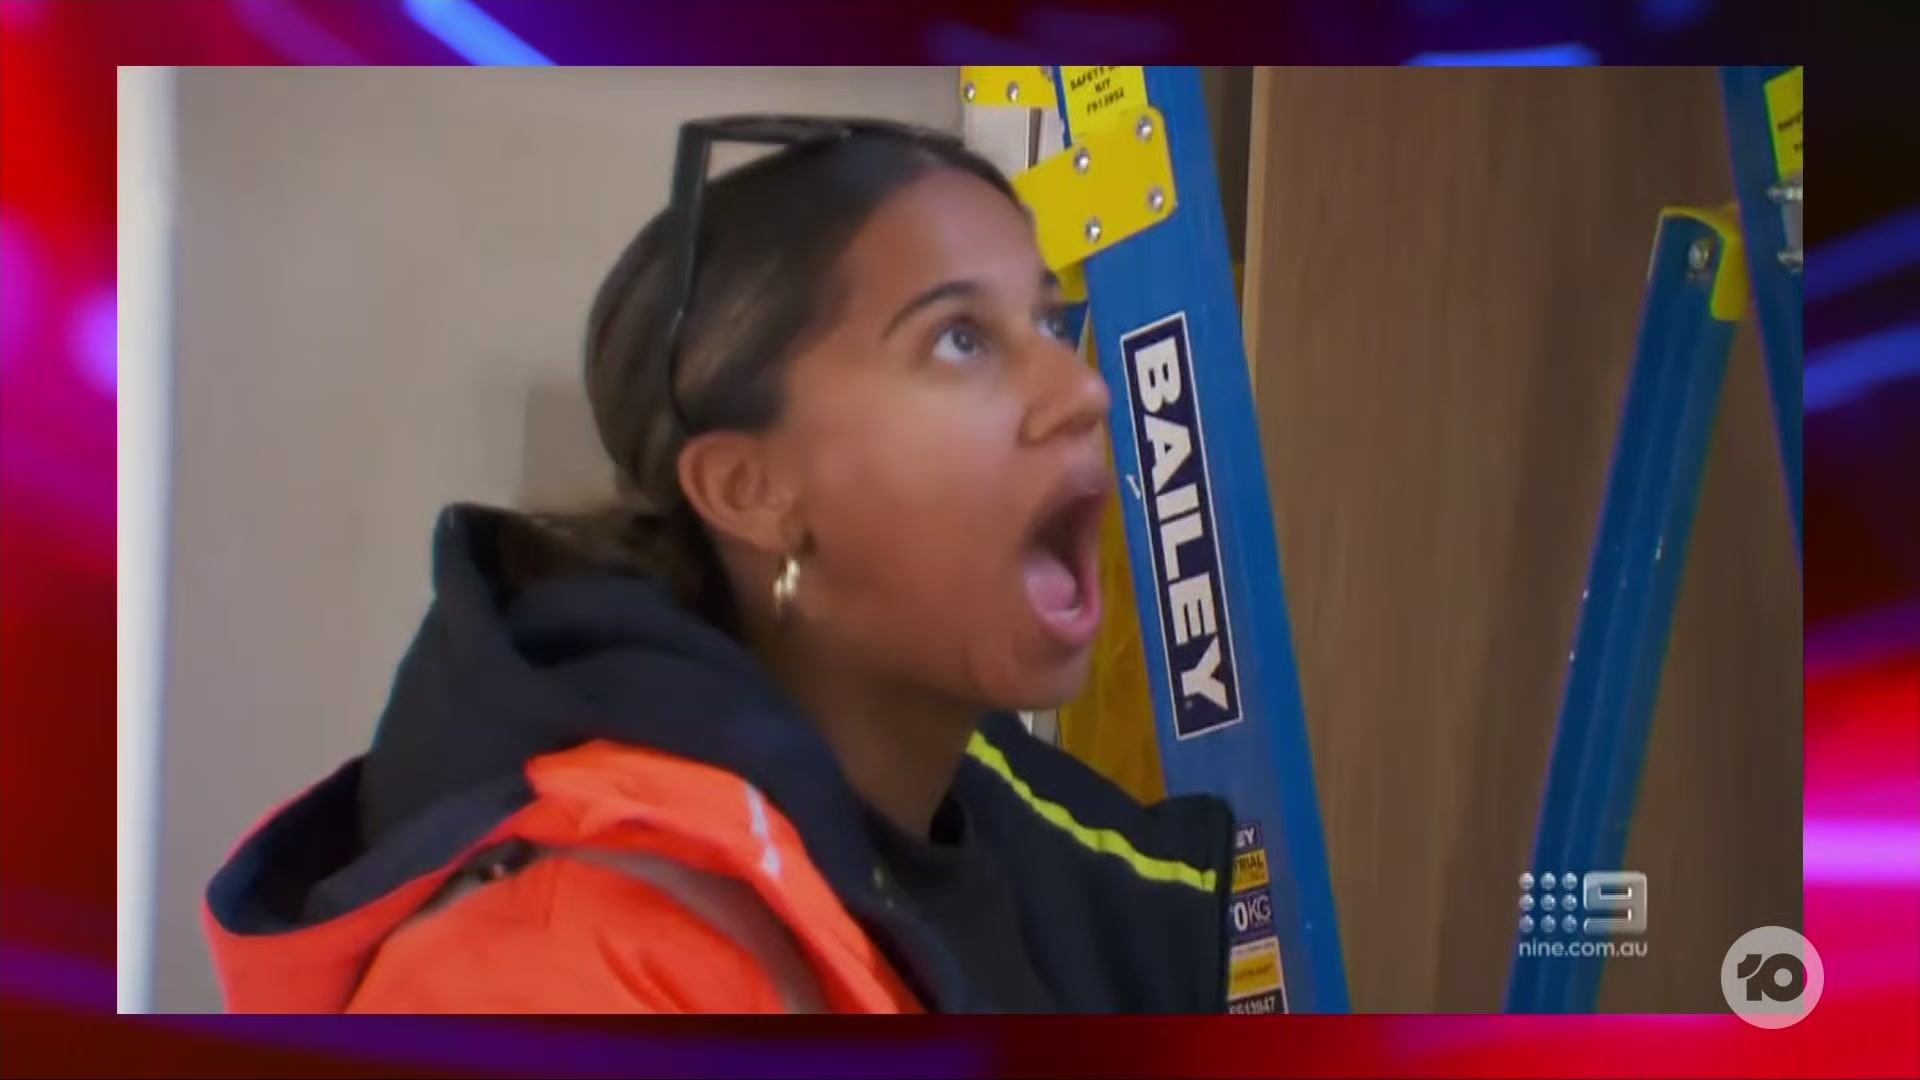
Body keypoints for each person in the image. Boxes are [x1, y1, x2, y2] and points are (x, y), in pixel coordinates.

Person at [204, 116, 1236, 1014]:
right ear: (751, 491)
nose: (1082, 390)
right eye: (959, 339)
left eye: (1050, 322)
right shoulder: (558, 967)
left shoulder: (1030, 859)